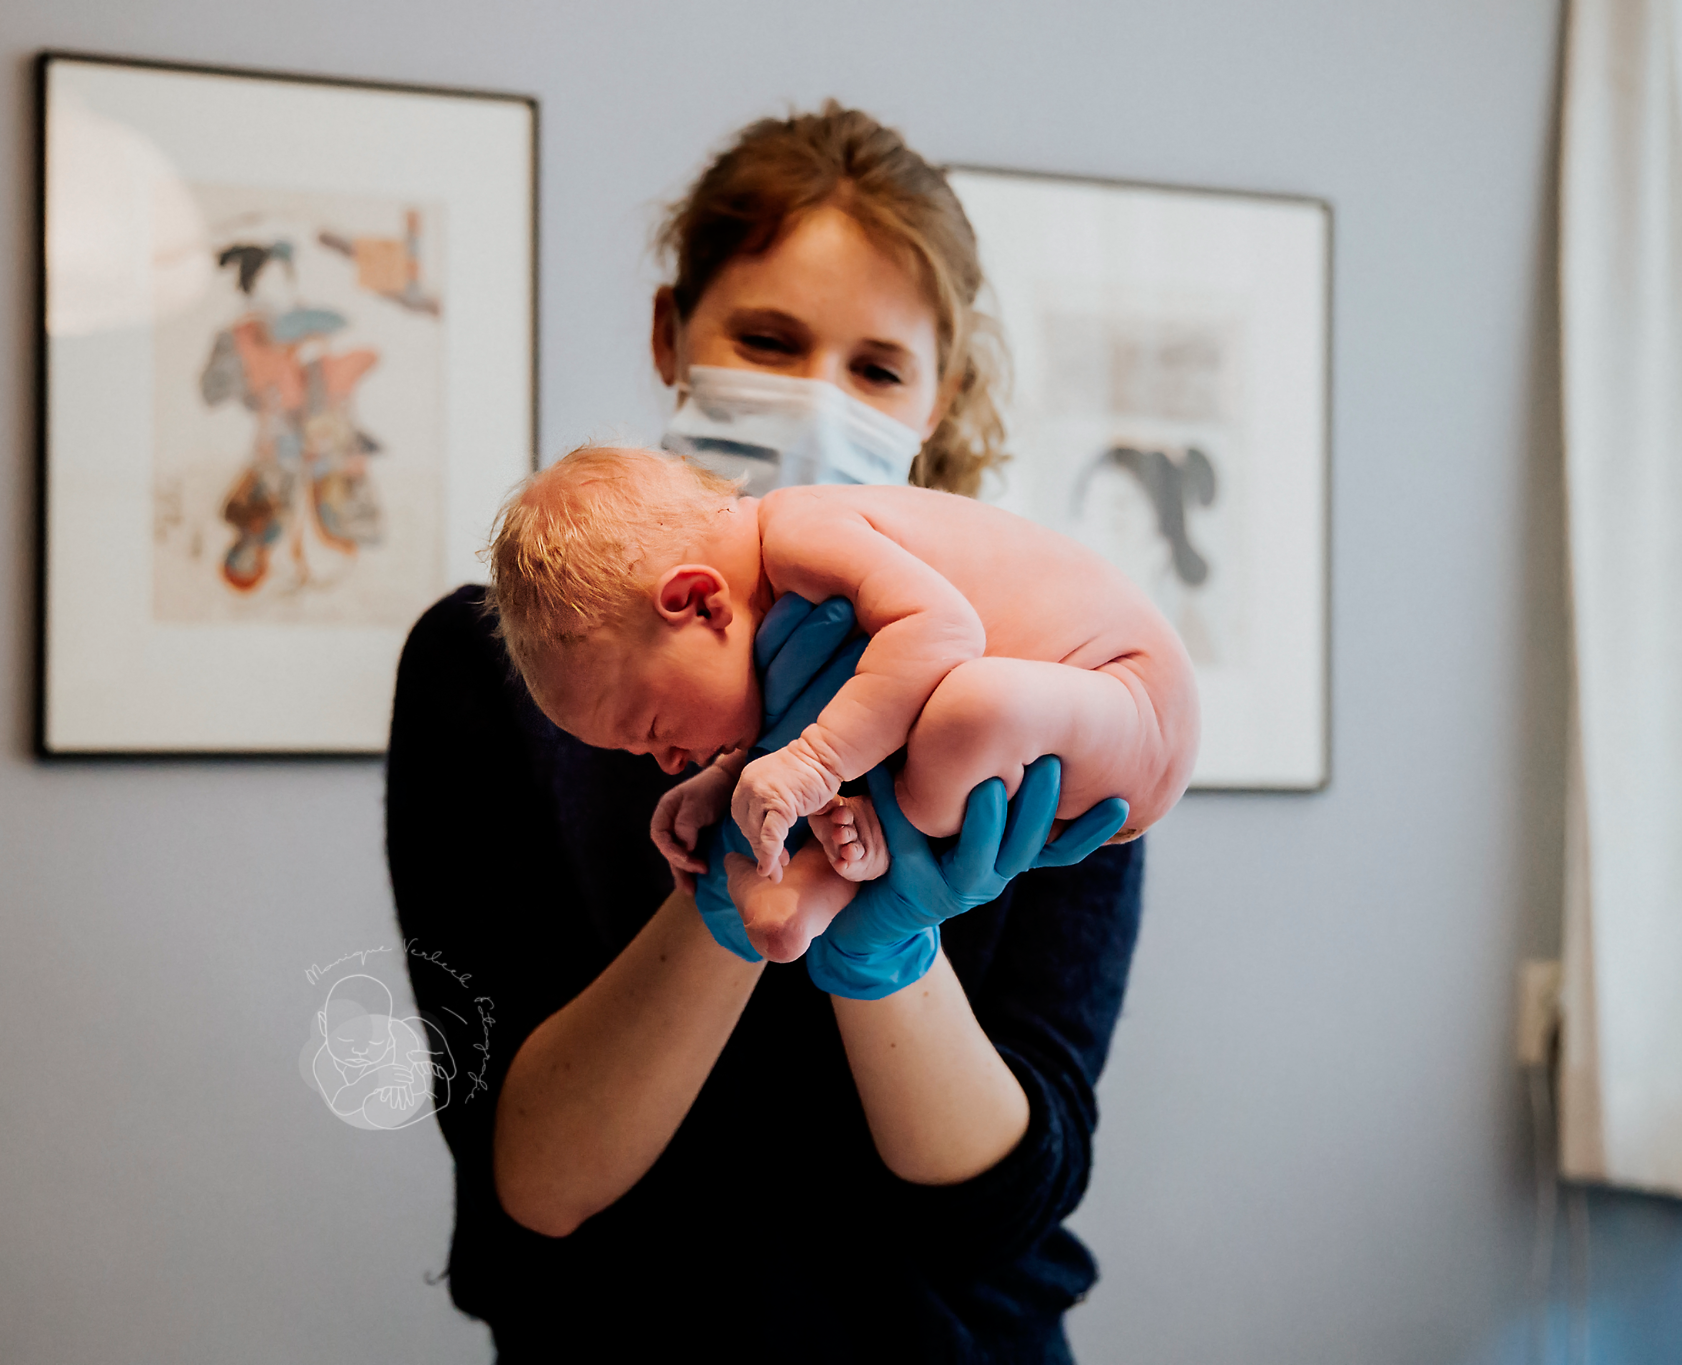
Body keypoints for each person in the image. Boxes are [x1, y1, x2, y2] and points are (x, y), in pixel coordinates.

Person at [388, 104, 1162, 1361]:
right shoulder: (495, 670)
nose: (814, 399)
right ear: (669, 334)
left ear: (936, 399)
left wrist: (881, 950)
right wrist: (730, 896)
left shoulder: (1033, 665)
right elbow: (531, 1184)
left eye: (876, 369)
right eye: (766, 340)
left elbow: (1004, 1208)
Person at [483, 446, 1198, 965]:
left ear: (699, 603)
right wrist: (730, 779)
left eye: (654, 728)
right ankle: (805, 892)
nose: (665, 763)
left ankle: (832, 872)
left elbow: (944, 632)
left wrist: (814, 764)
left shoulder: (803, 533)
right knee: (950, 717)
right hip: (1058, 719)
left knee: (968, 710)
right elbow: (866, 695)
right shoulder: (778, 607)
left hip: (1130, 697)